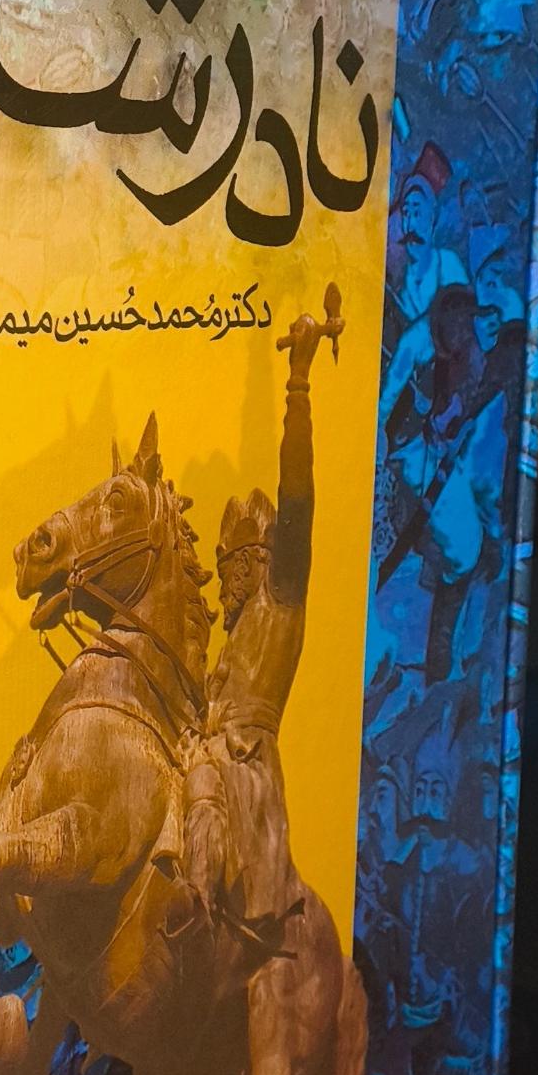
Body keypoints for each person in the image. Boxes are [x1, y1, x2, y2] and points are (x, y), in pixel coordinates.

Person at [184, 302, 335, 956]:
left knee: (203, 781)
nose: (224, 585)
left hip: (243, 773)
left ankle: (199, 908)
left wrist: (296, 382)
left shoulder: (282, 595)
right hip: (208, 756)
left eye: (230, 570)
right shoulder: (228, 638)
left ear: (255, 563)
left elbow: (296, 492)